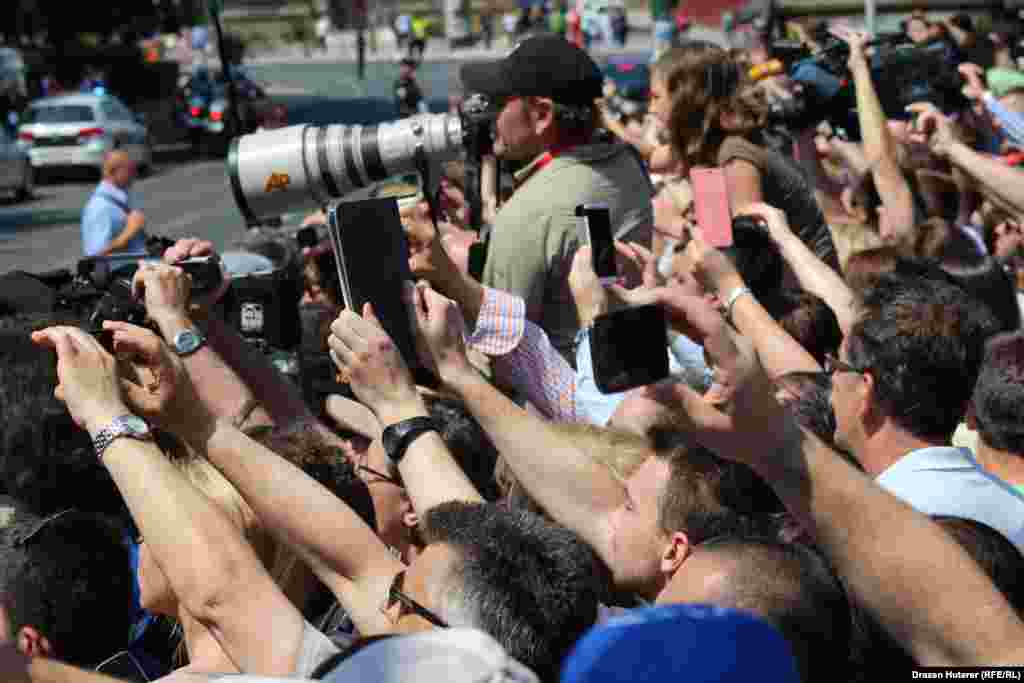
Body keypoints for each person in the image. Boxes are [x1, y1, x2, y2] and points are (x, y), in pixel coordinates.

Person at [456, 35, 654, 360]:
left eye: (497, 102)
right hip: (631, 366)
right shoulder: (627, 163)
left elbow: (502, 356)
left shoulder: (526, 214)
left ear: (542, 115)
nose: (488, 115)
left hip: (559, 401)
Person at [80, 151, 147, 257]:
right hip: (120, 271)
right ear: (113, 172)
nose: (135, 174)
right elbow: (95, 255)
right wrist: (128, 232)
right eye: (130, 169)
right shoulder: (101, 207)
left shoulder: (116, 201)